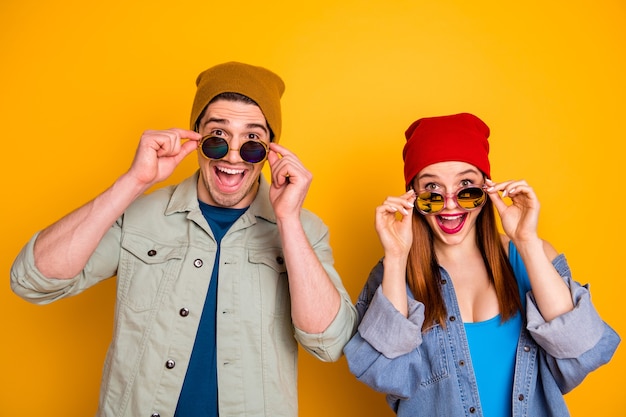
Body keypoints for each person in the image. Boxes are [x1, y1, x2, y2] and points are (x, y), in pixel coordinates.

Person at [11, 61, 357, 417]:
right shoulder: (140, 216)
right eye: (217, 137)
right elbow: (33, 281)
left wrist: (287, 221)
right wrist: (134, 182)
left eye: (252, 141)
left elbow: (329, 343)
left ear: (273, 152)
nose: (234, 155)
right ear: (195, 139)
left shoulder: (304, 230)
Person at [343, 113, 620, 417]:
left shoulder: (529, 254)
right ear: (412, 198)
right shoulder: (394, 274)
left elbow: (582, 348)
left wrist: (526, 241)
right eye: (432, 191)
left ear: (487, 190)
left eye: (466, 186)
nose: (450, 203)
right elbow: (384, 373)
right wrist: (396, 257)